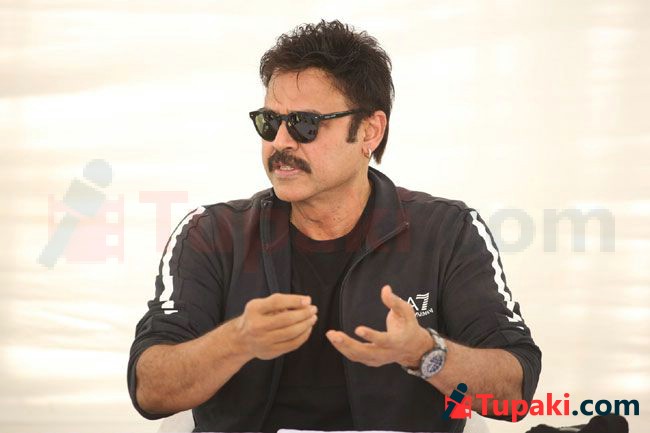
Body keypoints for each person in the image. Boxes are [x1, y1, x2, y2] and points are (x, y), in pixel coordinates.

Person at [127, 20, 541, 432]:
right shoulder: (211, 234)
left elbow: (515, 391)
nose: (281, 142)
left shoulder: (447, 233)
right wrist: (236, 340)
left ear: (369, 132)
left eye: (305, 123)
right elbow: (149, 389)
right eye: (269, 122)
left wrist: (425, 353)